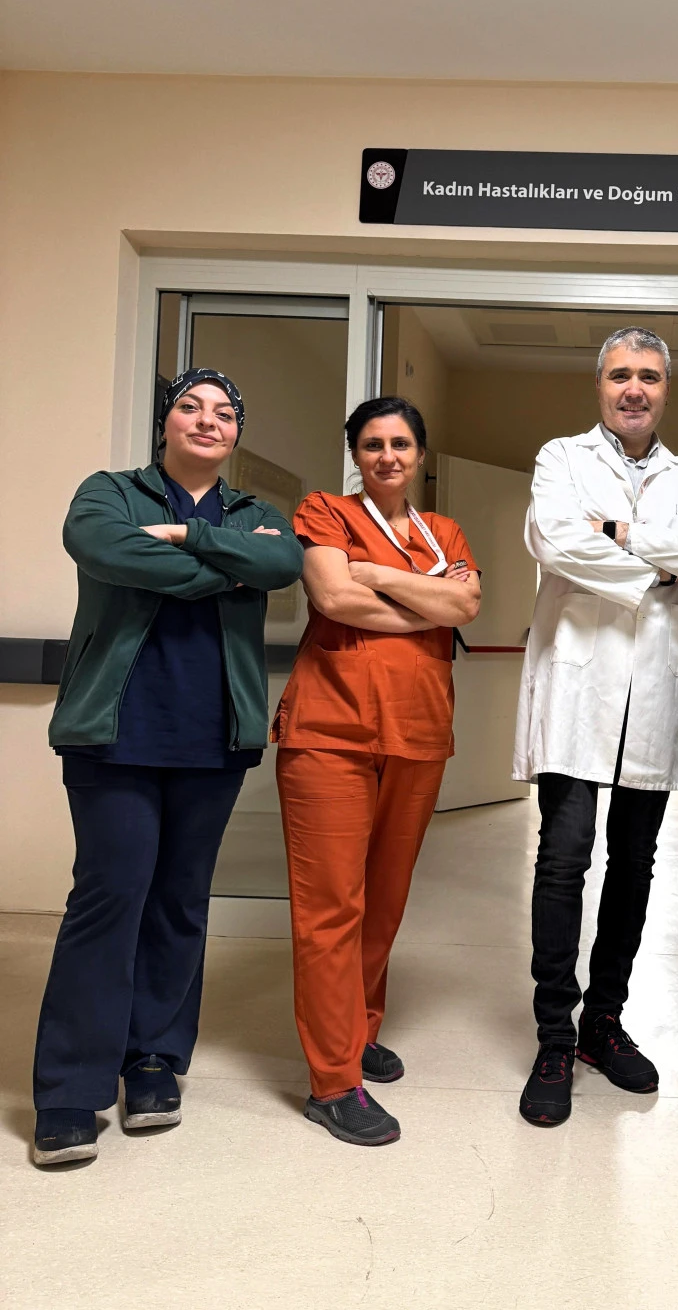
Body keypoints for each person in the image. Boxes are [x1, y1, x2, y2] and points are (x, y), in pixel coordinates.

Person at [33, 368, 304, 1167]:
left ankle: (152, 1059)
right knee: (109, 898)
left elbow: (283, 566)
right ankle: (70, 1089)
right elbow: (102, 548)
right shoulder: (110, 493)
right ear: (166, 423)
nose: (207, 420)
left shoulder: (257, 514)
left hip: (212, 737)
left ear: (236, 433)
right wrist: (228, 568)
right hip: (113, 731)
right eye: (191, 406)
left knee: (181, 901)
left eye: (224, 412)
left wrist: (186, 539)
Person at [513, 326, 678, 1126]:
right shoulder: (561, 458)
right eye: (619, 375)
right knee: (563, 859)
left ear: (665, 388)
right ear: (600, 385)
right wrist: (660, 568)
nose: (633, 388)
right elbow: (555, 540)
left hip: (657, 690)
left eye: (648, 375)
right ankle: (554, 1034)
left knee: (635, 862)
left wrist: (622, 534)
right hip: (578, 684)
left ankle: (602, 1024)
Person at [274, 396, 480, 1147]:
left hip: (417, 734)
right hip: (330, 733)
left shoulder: (444, 531)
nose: (387, 455)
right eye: (372, 444)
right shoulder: (325, 511)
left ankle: (356, 1031)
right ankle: (333, 1083)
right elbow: (332, 595)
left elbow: (465, 605)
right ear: (355, 454)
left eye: (400, 443)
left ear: (419, 454)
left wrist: (373, 574)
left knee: (384, 902)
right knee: (331, 907)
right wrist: (422, 599)